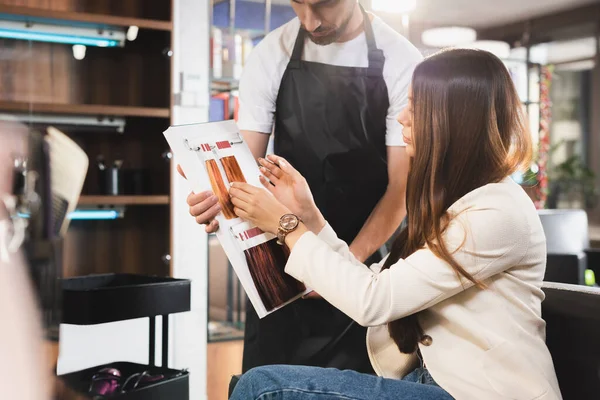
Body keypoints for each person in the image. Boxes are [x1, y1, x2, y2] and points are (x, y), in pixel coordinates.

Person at [227, 48, 563, 400]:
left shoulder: (498, 213)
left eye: (416, 107)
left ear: (454, 119)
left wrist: (287, 225)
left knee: (261, 387)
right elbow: (376, 282)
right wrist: (311, 218)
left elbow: (373, 301)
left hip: (479, 394)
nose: (402, 117)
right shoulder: (453, 205)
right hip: (430, 382)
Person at [183, 0, 422, 373]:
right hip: (282, 271)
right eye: (297, 3)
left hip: (367, 272)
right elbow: (243, 172)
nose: (309, 21)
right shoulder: (271, 53)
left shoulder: (400, 59)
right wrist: (217, 198)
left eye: (322, 4)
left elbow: (400, 190)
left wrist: (339, 266)